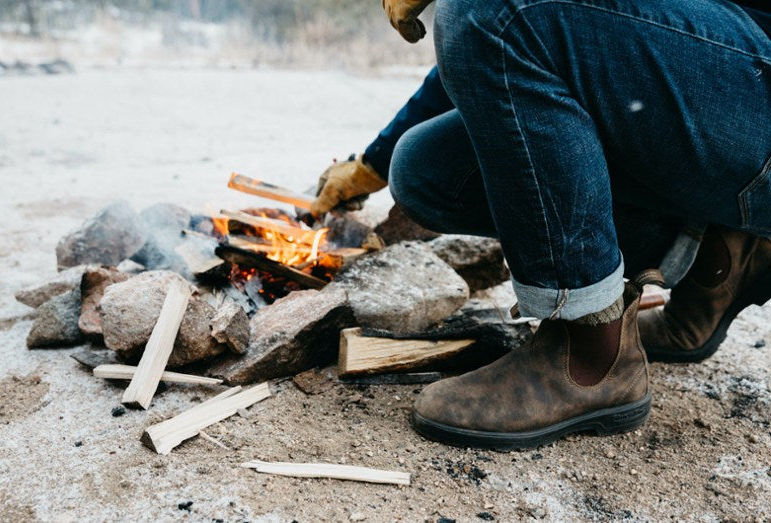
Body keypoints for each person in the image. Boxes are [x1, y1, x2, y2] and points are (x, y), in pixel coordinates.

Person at [312, 0, 771, 449]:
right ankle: (720, 259)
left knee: (493, 12)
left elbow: (508, 19)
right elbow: (501, 49)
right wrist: (373, 162)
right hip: (731, 67)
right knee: (427, 170)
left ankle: (589, 354)